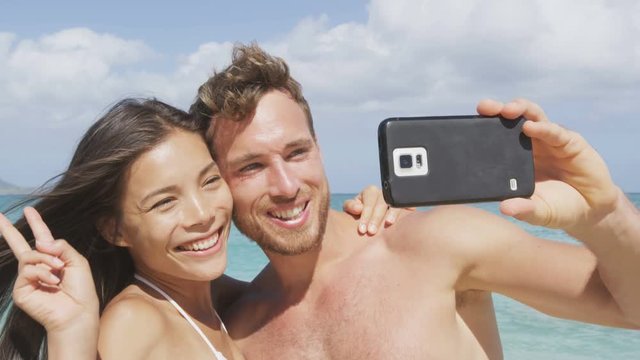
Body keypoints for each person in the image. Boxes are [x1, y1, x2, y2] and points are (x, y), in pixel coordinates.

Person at [188, 44, 640, 359]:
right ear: (215, 182)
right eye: (250, 167)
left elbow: (628, 309)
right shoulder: (233, 330)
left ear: (318, 148)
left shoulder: (435, 243)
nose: (286, 185)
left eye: (296, 152)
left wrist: (605, 215)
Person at [0, 98, 398, 359]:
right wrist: (72, 334)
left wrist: (368, 222)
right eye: (164, 202)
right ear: (115, 230)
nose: (202, 214)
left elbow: (303, 304)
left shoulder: (219, 301)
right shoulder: (136, 323)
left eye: (209, 181)